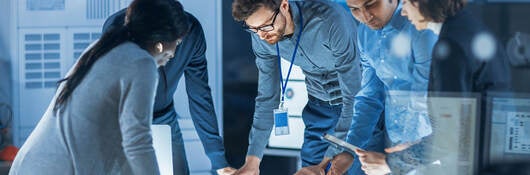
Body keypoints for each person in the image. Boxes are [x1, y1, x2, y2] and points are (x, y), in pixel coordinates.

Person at [9, 0, 188, 174]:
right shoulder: (141, 63)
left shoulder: (106, 48)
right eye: (177, 43)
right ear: (161, 41)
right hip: (57, 167)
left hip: (33, 163)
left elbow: (120, 144)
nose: (173, 53)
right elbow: (137, 143)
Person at [231, 0, 362, 174]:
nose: (262, 36)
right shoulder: (261, 36)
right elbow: (267, 98)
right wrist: (252, 161)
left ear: (284, 6)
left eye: (266, 26)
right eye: (253, 29)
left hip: (357, 109)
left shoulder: (329, 19)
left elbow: (354, 97)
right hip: (319, 109)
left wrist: (326, 161)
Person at [103, 5, 236, 175]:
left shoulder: (191, 32)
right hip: (121, 118)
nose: (173, 54)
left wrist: (219, 162)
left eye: (180, 42)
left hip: (164, 115)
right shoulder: (117, 27)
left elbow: (200, 97)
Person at [318, 0, 439, 174]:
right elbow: (369, 98)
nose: (365, 17)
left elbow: (427, 98)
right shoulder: (365, 34)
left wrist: (401, 160)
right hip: (394, 142)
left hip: (428, 146)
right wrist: (350, 149)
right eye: (354, 9)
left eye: (371, 5)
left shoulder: (421, 28)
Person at [400, 0, 511, 93]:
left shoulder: (451, 44)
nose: (403, 12)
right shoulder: (466, 27)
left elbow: (451, 111)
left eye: (405, 2)